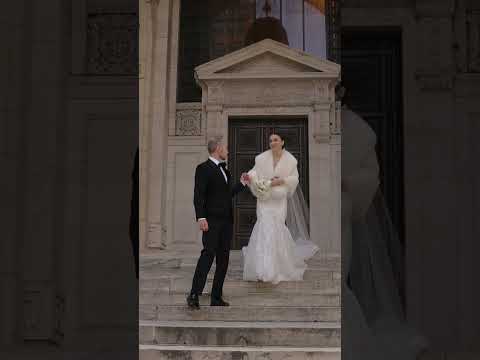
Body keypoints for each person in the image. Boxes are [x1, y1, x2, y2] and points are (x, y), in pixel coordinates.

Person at [242, 133, 319, 284]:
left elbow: (294, 179)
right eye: (270, 140)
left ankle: (276, 268)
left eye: (276, 140)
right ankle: (262, 270)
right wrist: (249, 176)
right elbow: (254, 172)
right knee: (264, 228)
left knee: (276, 229)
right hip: (264, 201)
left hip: (278, 201)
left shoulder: (290, 161)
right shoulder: (261, 158)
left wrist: (282, 181)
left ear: (282, 142)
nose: (272, 143)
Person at [187, 139, 249, 309]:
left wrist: (242, 183)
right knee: (208, 254)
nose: (228, 152)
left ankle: (216, 297)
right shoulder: (203, 168)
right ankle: (194, 294)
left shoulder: (226, 172)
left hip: (227, 222)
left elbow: (228, 194)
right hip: (211, 220)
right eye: (226, 149)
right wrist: (201, 218)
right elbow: (198, 195)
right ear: (218, 149)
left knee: (223, 259)